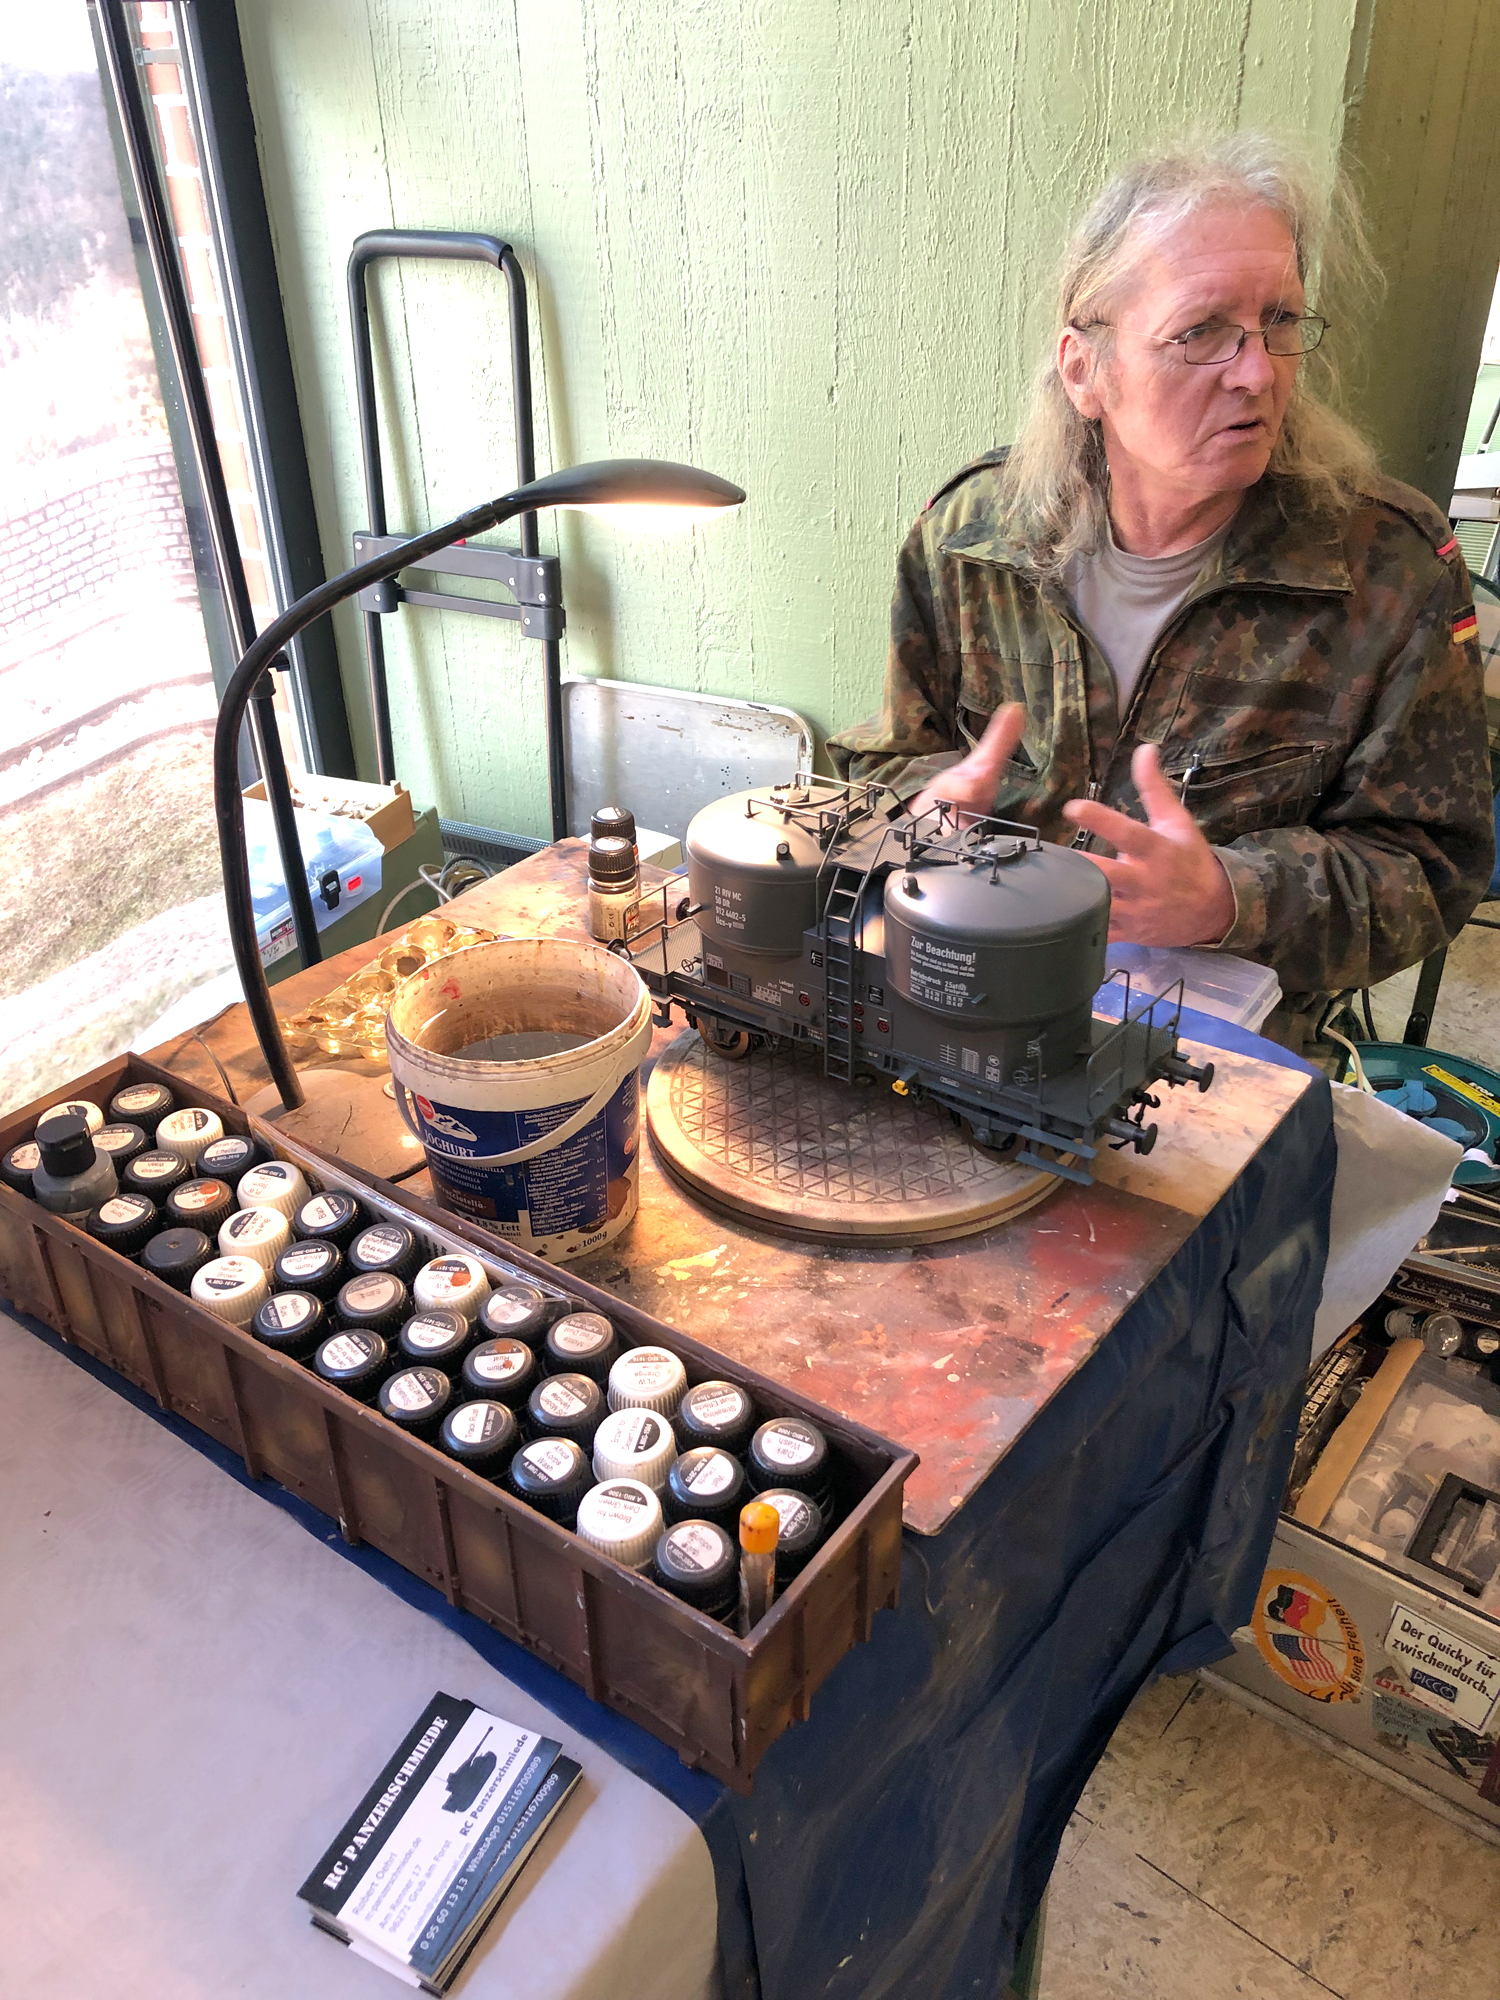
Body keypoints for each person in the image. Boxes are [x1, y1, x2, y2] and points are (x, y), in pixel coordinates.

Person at [827, 134, 1494, 1048]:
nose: (1259, 372)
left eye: (1281, 323)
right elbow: (884, 761)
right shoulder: (971, 536)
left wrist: (1230, 896)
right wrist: (922, 810)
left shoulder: (1389, 569)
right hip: (969, 1003)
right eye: (1202, 333)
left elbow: (1431, 868)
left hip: (1206, 1065)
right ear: (1084, 370)